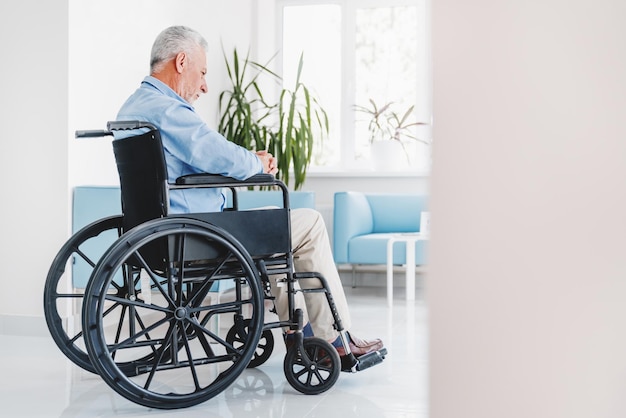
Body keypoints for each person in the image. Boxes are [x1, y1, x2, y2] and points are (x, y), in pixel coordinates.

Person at [115, 25, 383, 359]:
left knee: (275, 239)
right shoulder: (168, 109)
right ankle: (334, 337)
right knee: (309, 224)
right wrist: (254, 162)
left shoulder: (133, 107)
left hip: (156, 231)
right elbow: (215, 151)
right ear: (181, 61)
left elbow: (189, 161)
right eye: (202, 73)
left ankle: (300, 333)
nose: (204, 85)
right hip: (196, 232)